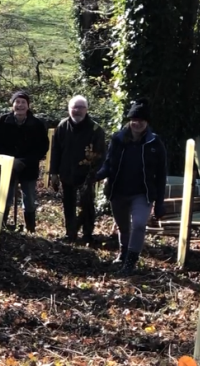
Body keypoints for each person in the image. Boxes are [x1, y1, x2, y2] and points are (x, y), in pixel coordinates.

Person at [93, 99, 168, 274]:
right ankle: (124, 253)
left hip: (142, 193)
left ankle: (131, 262)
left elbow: (161, 174)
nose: (137, 123)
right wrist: (96, 176)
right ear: (129, 120)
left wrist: (160, 202)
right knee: (123, 226)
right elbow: (109, 164)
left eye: (141, 120)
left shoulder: (155, 143)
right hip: (118, 191)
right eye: (134, 119)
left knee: (140, 224)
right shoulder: (118, 139)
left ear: (147, 122)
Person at [48, 95, 106, 244]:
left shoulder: (96, 129)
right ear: (69, 109)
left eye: (81, 107)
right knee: (68, 204)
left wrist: (95, 175)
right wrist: (53, 173)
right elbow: (55, 151)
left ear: (86, 110)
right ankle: (70, 234)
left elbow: (100, 155)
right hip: (67, 173)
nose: (77, 110)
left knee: (87, 204)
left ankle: (87, 234)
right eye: (74, 107)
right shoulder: (62, 126)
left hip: (87, 175)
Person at [0, 90, 49, 233]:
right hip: (7, 166)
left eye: (23, 102)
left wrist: (25, 161)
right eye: (17, 102)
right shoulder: (3, 121)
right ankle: (2, 227)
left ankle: (30, 228)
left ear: (28, 105)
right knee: (5, 198)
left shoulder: (37, 124)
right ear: (12, 105)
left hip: (29, 167)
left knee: (29, 199)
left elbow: (42, 147)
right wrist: (10, 160)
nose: (20, 105)